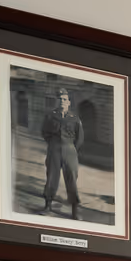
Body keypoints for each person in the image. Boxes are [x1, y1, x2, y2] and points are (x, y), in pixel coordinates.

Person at [39, 87, 85, 219]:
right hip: (54, 149)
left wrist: (71, 148)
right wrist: (53, 144)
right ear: (56, 101)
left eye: (65, 99)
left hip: (69, 150)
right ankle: (47, 206)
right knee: (52, 177)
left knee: (71, 179)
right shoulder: (50, 115)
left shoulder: (74, 118)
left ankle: (74, 210)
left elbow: (79, 137)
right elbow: (45, 132)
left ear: (69, 102)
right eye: (59, 99)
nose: (62, 101)